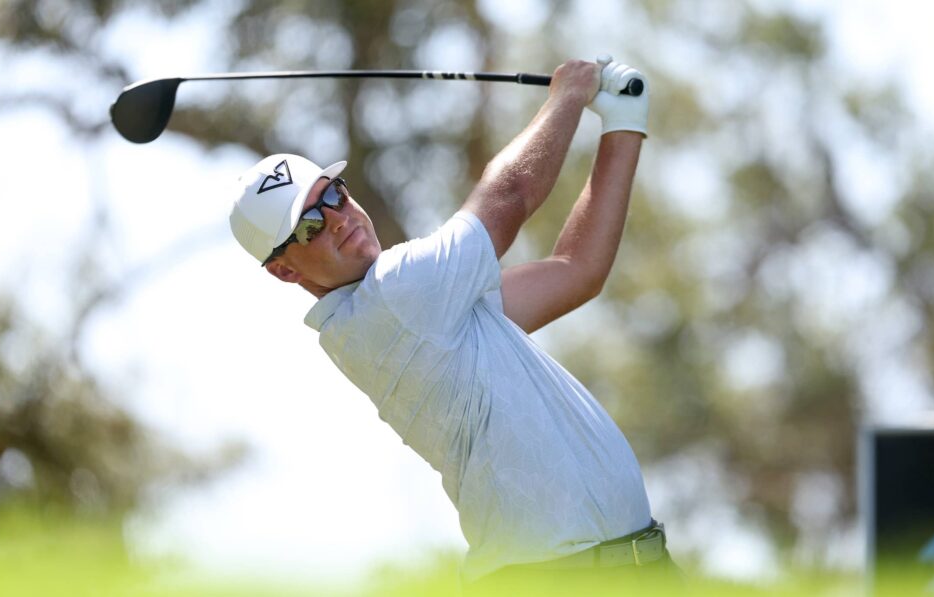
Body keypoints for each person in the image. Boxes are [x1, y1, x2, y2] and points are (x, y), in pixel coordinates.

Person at [228, 56, 676, 591]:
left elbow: (576, 272)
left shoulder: (423, 313)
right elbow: (508, 197)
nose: (338, 220)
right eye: (308, 225)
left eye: (333, 194)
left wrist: (624, 125)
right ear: (284, 270)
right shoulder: (395, 295)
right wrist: (568, 97)